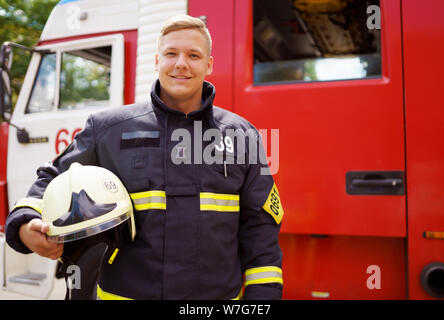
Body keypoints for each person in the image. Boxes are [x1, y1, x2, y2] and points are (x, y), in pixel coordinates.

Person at [5, 14, 284, 300]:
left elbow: (260, 229)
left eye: (194, 55)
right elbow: (52, 180)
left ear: (209, 64)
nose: (181, 63)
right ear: (156, 61)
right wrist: (26, 224)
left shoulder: (242, 136)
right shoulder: (109, 130)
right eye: (171, 53)